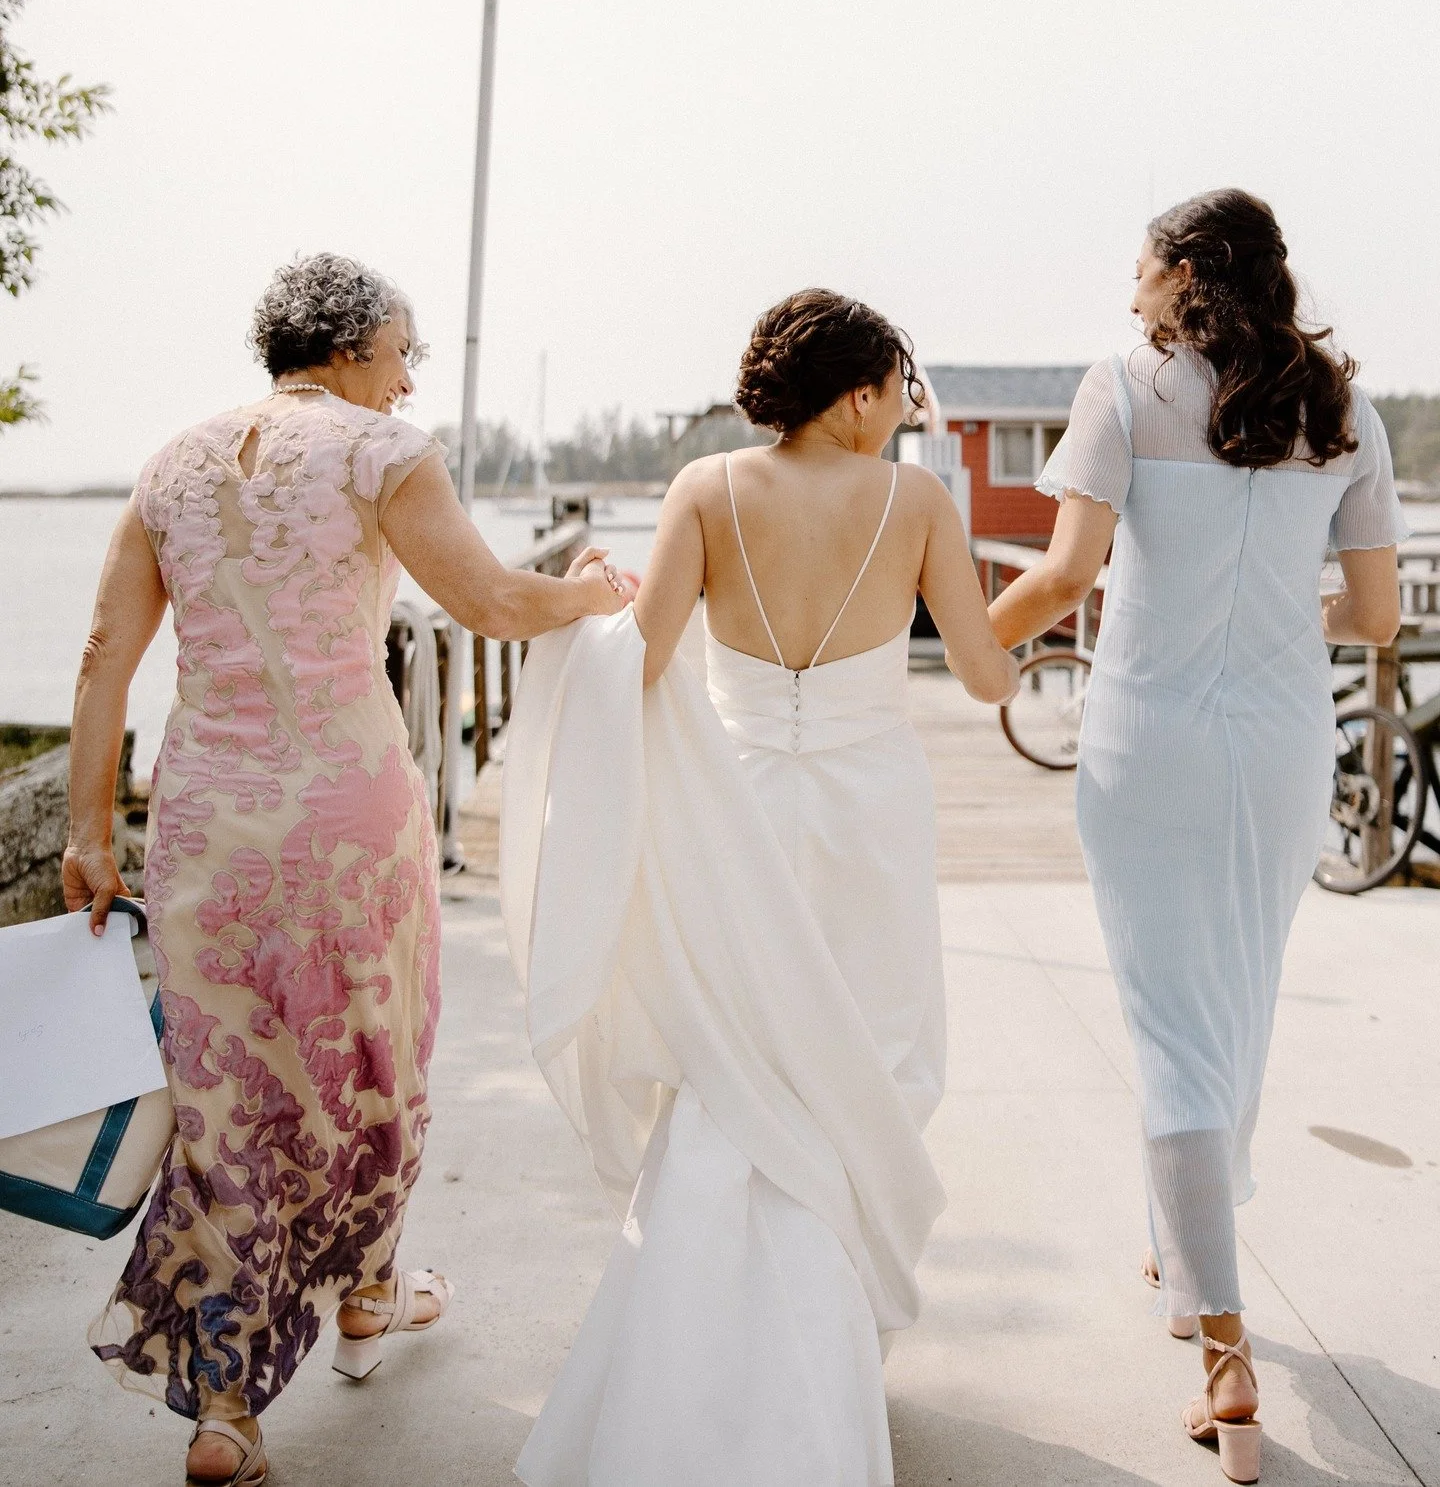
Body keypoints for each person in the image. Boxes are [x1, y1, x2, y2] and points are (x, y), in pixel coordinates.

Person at [62, 252, 626, 1487]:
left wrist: (90, 832)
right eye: (404, 348)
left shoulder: (169, 463)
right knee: (369, 1053)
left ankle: (227, 1409)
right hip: (347, 811)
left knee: (224, 1089)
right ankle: (366, 1293)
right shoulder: (386, 451)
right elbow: (485, 600)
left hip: (207, 814)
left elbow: (108, 647)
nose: (412, 372)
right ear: (355, 348)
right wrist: (586, 596)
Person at [500, 288, 1019, 1487]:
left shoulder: (705, 489)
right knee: (863, 1068)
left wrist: (589, 598)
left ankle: (692, 1369)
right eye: (902, 390)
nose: (905, 412)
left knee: (734, 1074)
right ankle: (826, 1352)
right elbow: (988, 676)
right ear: (857, 394)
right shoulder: (921, 502)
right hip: (869, 821)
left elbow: (646, 660)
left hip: (738, 819)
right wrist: (1044, 608)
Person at [989, 192, 1403, 1484]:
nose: (1128, 286)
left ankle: (1223, 1351)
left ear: (1182, 273)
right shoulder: (1342, 408)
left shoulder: (1122, 385)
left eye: (1140, 261)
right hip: (1283, 750)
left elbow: (1063, 578)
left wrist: (969, 646)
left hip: (1149, 739)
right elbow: (1382, 616)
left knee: (1172, 1030)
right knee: (1236, 1005)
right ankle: (1188, 1253)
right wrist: (1283, 594)